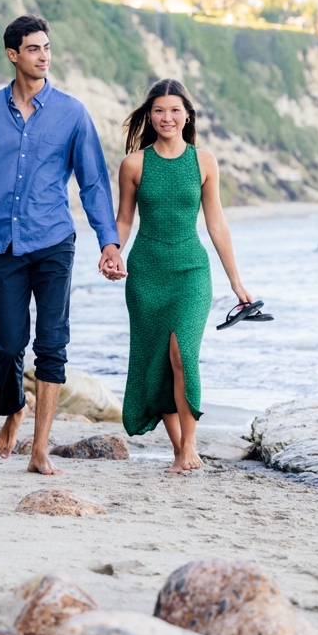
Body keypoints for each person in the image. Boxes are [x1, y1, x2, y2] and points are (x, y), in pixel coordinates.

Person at [0, 14, 126, 474]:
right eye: (34, 49)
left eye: (47, 48)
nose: (44, 56)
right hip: (2, 244)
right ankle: (13, 410)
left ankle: (39, 447)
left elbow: (94, 184)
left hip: (54, 241)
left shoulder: (72, 113)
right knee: (6, 345)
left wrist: (109, 242)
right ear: (12, 54)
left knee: (52, 344)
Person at [108, 79, 256, 474]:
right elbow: (124, 220)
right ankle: (179, 451)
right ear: (150, 115)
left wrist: (236, 283)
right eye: (159, 110)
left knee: (182, 354)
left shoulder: (204, 162)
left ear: (187, 114)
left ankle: (190, 445)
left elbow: (217, 224)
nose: (166, 117)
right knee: (157, 361)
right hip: (146, 274)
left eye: (175, 110)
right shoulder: (134, 164)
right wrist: (110, 251)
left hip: (191, 270)